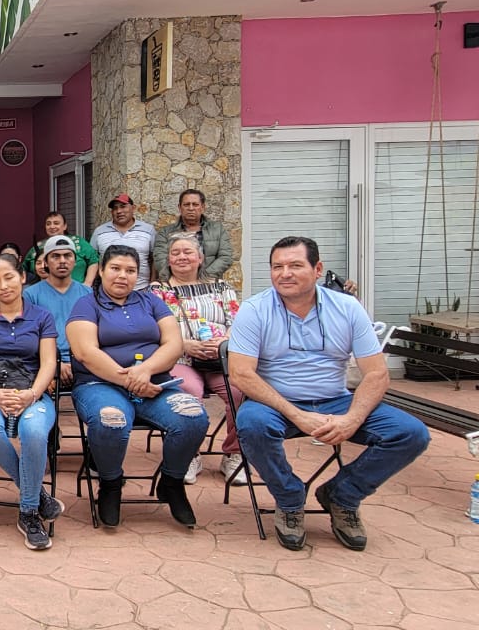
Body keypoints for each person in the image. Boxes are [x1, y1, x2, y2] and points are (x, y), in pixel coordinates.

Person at [228, 236, 430, 552]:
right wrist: (297, 415)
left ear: (318, 269)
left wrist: (352, 419)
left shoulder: (347, 308)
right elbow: (241, 373)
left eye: (295, 265)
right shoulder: (255, 310)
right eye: (277, 267)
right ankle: (290, 499)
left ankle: (343, 495)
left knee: (411, 433)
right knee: (252, 425)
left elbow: (376, 373)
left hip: (336, 399)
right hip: (277, 402)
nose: (285, 274)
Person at [66, 245, 207, 529]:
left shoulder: (151, 302)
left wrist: (145, 372)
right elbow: (85, 352)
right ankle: (110, 483)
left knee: (194, 417)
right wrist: (130, 380)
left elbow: (174, 344)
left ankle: (172, 482)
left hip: (154, 383)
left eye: (130, 270)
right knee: (111, 420)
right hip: (99, 384)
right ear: (101, 271)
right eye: (115, 269)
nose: (123, 276)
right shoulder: (86, 305)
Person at [0, 254, 63, 550]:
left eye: (8, 277)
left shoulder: (42, 317)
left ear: (22, 277)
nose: (3, 286)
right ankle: (37, 496)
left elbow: (49, 363)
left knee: (34, 431)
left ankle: (28, 512)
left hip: (33, 392)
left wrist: (32, 393)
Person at [149, 232, 246, 485]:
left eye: (188, 252)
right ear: (168, 259)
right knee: (188, 392)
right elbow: (151, 330)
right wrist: (184, 345)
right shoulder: (157, 292)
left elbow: (237, 323)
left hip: (218, 359)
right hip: (179, 359)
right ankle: (189, 454)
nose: (182, 257)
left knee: (239, 392)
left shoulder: (222, 288)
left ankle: (234, 454)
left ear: (200, 258)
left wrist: (223, 343)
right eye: (175, 253)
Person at [23, 236, 92, 392]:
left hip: (84, 363)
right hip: (44, 363)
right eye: (55, 256)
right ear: (46, 262)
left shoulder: (88, 294)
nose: (62, 261)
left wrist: (76, 364)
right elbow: (28, 336)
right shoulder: (30, 295)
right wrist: (54, 364)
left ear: (75, 261)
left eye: (67, 256)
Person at [153, 189, 236, 282]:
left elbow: (225, 257)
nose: (191, 208)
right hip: (176, 285)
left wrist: (204, 278)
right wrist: (178, 280)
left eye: (195, 204)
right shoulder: (165, 233)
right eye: (186, 204)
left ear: (202, 207)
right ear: (179, 207)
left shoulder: (217, 230)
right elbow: (160, 259)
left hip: (210, 283)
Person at [90, 194, 157, 289]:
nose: (119, 211)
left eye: (123, 206)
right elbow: (92, 260)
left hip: (141, 288)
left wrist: (152, 283)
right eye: (115, 208)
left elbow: (154, 258)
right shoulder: (99, 232)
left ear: (133, 208)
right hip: (108, 290)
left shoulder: (148, 230)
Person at [24, 212, 99, 286]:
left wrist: (87, 284)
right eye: (48, 224)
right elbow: (23, 268)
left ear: (65, 226)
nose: (52, 226)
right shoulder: (38, 247)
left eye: (56, 223)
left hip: (78, 289)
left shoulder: (78, 242)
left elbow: (94, 261)